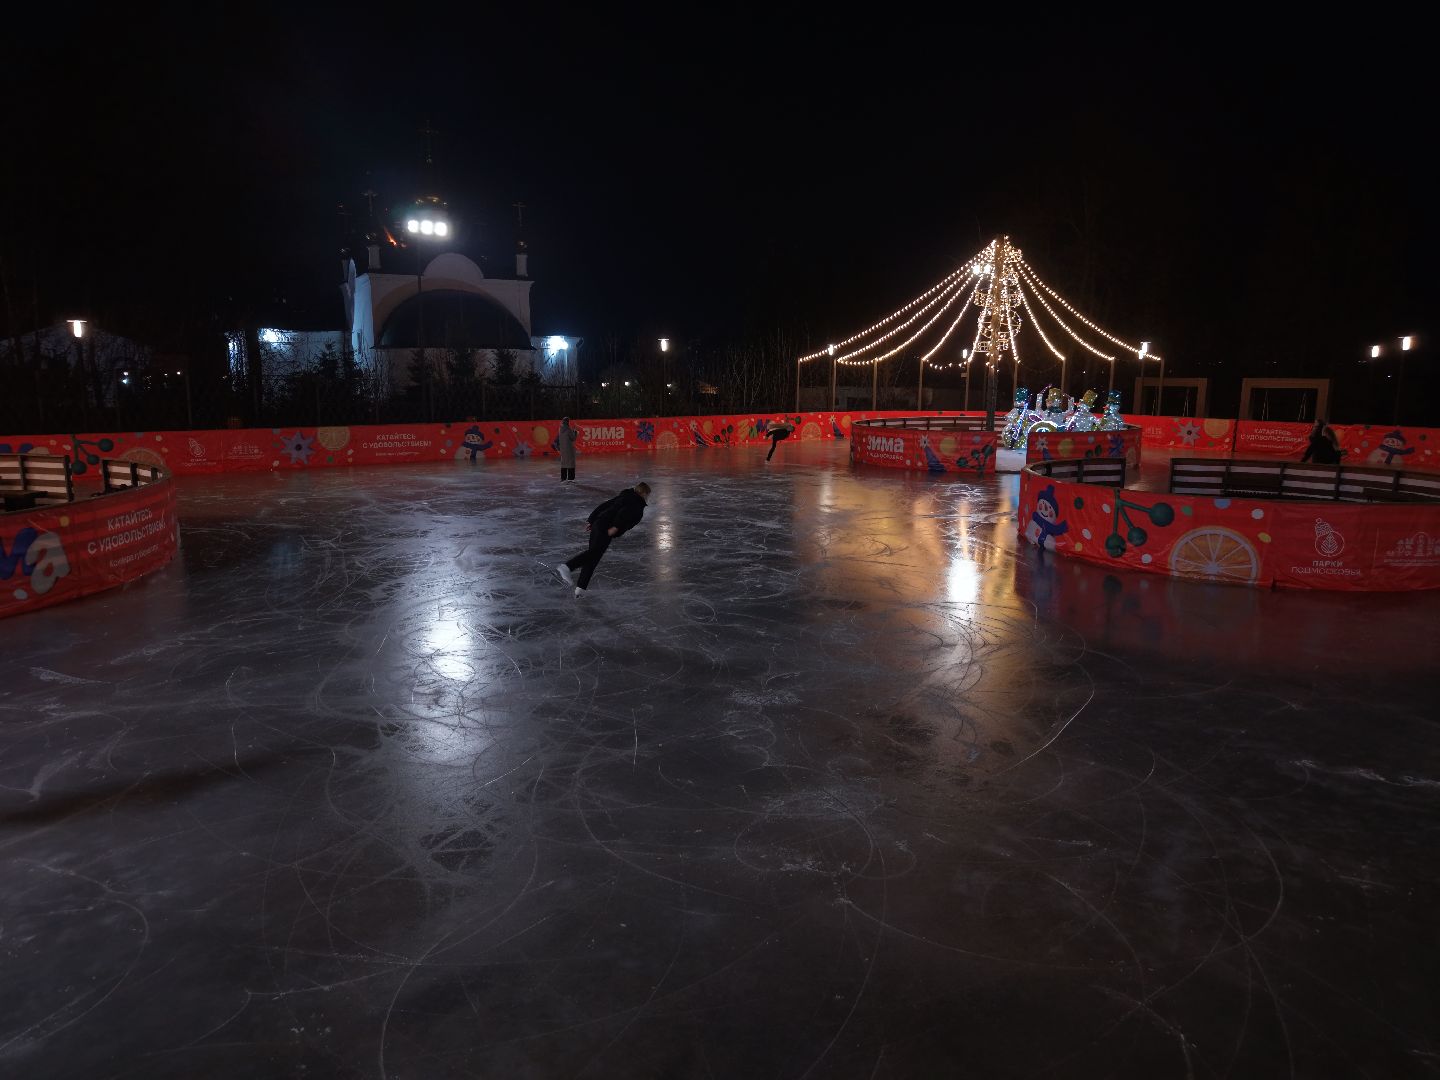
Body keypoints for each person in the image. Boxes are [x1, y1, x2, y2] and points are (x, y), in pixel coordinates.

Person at [556, 482, 650, 598]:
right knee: (594, 553)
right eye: (647, 494)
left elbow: (605, 505)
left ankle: (580, 588)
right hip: (607, 527)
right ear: (643, 492)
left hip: (599, 523)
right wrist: (615, 527)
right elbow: (623, 514)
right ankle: (567, 567)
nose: (647, 497)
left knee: (593, 557)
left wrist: (592, 520)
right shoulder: (635, 502)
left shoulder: (625, 496)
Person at [556, 417, 578, 482]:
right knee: (571, 463)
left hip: (562, 449)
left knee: (564, 463)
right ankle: (571, 478)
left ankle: (563, 477)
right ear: (568, 422)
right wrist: (575, 432)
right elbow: (573, 438)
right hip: (569, 449)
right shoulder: (568, 429)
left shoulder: (560, 429)